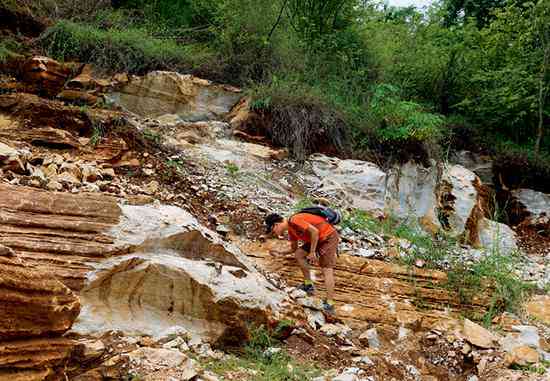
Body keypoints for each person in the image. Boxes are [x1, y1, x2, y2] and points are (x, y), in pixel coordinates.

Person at [265, 212, 340, 315]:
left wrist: (312, 252)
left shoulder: (294, 220)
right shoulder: (291, 230)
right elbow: (294, 249)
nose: (274, 233)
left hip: (328, 237)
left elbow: (315, 232)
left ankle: (330, 304)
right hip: (318, 239)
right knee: (299, 254)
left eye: (272, 230)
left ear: (276, 224)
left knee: (326, 269)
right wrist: (280, 253)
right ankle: (308, 285)